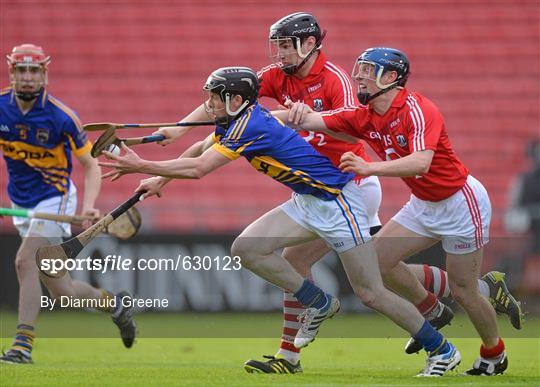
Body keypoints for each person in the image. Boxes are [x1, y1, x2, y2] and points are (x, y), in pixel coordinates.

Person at [153, 13, 521, 374]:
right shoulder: (277, 76)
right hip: (335, 189)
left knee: (387, 285)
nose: (279, 54)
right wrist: (179, 128)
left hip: (351, 186)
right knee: (362, 268)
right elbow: (233, 98)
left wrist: (298, 126)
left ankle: (466, 330)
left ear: (310, 44)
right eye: (276, 45)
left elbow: (359, 132)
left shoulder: (339, 82)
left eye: (287, 45)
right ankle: (427, 310)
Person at [100, 66, 461, 377]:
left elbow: (199, 168)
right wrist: (158, 175)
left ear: (235, 100)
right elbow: (198, 150)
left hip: (337, 204)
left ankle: (442, 350)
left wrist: (140, 165)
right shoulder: (237, 121)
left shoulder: (250, 126)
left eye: (214, 97)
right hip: (306, 202)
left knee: (371, 292)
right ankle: (319, 301)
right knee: (247, 248)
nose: (208, 104)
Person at [277, 47, 522, 375]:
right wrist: (261, 116)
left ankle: (494, 353)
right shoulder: (365, 116)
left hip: (461, 204)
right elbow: (310, 120)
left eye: (368, 70)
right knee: (375, 263)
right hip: (423, 204)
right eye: (359, 69)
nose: (359, 76)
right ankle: (432, 310)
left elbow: (422, 162)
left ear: (391, 77)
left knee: (464, 291)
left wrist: (369, 167)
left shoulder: (417, 108)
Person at [0, 44, 136, 364]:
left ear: (44, 74)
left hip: (56, 198)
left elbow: (90, 164)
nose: (28, 78)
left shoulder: (62, 117)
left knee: (25, 261)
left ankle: (22, 345)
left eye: (34, 71)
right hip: (22, 202)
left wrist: (88, 206)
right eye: (22, 71)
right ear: (12, 74)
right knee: (64, 292)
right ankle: (115, 306)